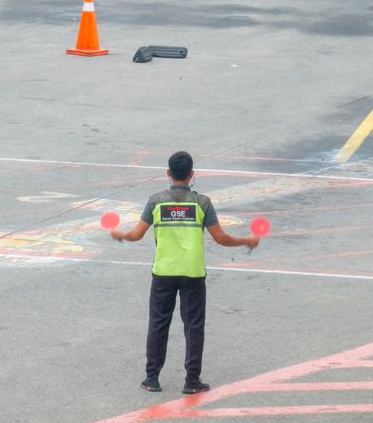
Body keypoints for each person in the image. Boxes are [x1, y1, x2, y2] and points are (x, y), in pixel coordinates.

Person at [111, 151, 261, 394]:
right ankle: (192, 380)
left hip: (164, 272)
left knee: (159, 324)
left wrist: (120, 234)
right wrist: (246, 240)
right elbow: (221, 238)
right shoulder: (202, 203)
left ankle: (152, 378)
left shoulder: (155, 201)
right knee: (193, 326)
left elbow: (137, 234)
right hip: (192, 272)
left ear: (168, 173)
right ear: (192, 175)